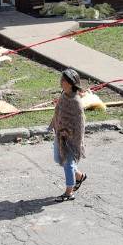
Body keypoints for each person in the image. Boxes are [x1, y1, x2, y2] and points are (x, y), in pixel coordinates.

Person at [49, 68, 87, 201]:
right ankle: (79, 176)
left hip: (70, 139)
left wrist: (72, 137)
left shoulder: (76, 102)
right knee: (58, 158)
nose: (61, 82)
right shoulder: (63, 95)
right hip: (60, 135)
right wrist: (55, 125)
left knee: (68, 163)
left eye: (64, 80)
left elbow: (79, 124)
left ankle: (69, 192)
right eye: (61, 79)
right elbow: (58, 112)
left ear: (71, 83)